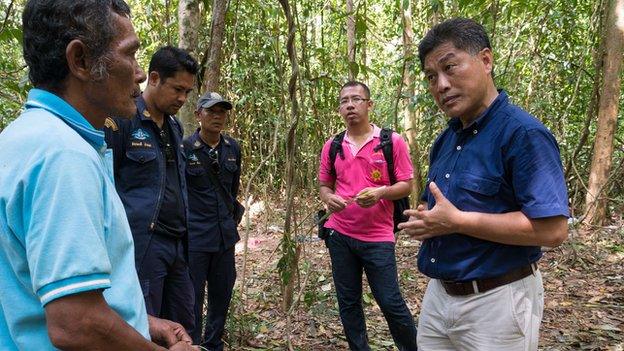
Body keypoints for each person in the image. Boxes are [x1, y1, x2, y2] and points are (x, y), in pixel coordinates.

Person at [0, 0, 194, 349]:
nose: (138, 73)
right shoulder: (64, 157)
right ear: (81, 61)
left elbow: (41, 291)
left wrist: (140, 321)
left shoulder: (20, 138)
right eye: (130, 54)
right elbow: (76, 323)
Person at [398, 17, 569, 350]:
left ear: (486, 60)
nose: (441, 85)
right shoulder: (446, 140)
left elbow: (553, 230)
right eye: (431, 77)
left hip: (497, 302)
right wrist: (426, 219)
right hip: (439, 296)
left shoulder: (523, 134)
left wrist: (457, 222)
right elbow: (436, 207)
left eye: (451, 67)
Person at [318, 81, 418, 350]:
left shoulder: (390, 141)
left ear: (369, 104)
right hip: (340, 234)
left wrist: (380, 192)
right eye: (344, 101)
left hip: (378, 237)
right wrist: (329, 198)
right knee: (348, 303)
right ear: (339, 108)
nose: (350, 105)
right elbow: (324, 185)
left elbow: (406, 185)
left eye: (356, 99)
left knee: (390, 301)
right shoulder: (333, 145)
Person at [104, 46, 198, 332]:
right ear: (154, 78)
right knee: (144, 324)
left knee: (183, 323)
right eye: (177, 89)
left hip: (177, 243)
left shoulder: (175, 128)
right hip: (143, 243)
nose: (182, 98)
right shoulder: (123, 122)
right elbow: (107, 185)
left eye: (187, 92)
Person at [183, 92, 242, 350]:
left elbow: (233, 190)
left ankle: (213, 343)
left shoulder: (232, 148)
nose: (217, 116)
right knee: (192, 298)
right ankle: (193, 344)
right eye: (211, 111)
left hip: (224, 239)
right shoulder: (185, 148)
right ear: (198, 115)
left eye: (222, 112)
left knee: (222, 295)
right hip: (195, 238)